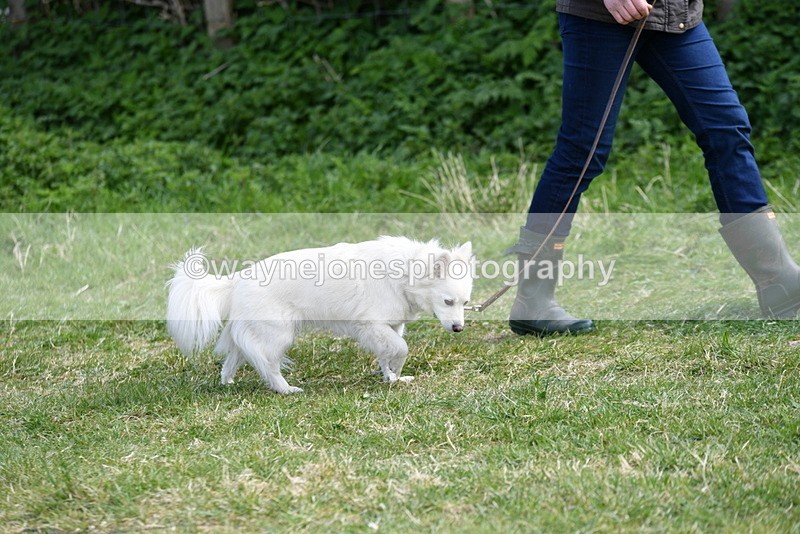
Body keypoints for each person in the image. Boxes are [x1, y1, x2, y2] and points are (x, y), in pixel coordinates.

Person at [506, 0, 800, 336]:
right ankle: (533, 300)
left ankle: (777, 280)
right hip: (601, 15)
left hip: (677, 14)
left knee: (726, 128)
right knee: (583, 151)